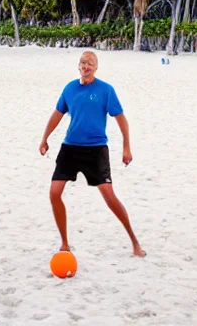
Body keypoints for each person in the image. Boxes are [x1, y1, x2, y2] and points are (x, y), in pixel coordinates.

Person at [39, 51, 145, 257]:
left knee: (109, 196)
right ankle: (64, 243)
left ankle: (134, 242)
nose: (86, 66)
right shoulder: (70, 88)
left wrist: (126, 147)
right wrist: (45, 138)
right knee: (54, 193)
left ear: (96, 68)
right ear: (78, 66)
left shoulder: (106, 90)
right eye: (83, 63)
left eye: (90, 63)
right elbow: (57, 114)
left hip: (96, 149)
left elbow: (121, 120)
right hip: (70, 148)